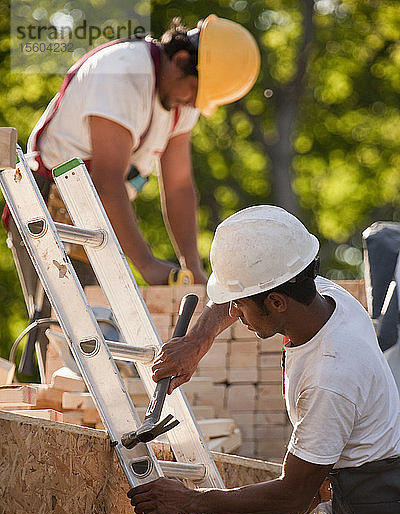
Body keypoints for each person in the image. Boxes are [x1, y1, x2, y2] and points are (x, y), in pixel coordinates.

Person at [128, 205, 400, 514]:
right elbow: (245, 288)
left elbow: (291, 494)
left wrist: (189, 501)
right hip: (350, 498)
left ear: (276, 303)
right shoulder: (322, 295)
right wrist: (196, 343)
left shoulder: (332, 377)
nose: (235, 314)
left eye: (242, 307)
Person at [3, 15, 260, 376]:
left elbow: (180, 186)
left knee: (101, 332)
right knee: (73, 334)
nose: (192, 104)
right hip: (49, 207)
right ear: (183, 61)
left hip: (94, 211)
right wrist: (149, 265)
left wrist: (193, 267)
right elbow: (108, 182)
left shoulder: (179, 100)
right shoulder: (122, 72)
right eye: (194, 92)